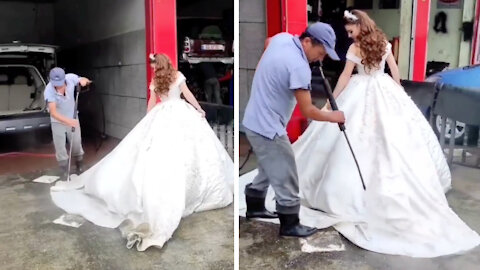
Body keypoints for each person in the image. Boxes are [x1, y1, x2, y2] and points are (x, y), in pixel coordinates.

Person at [241, 10, 480, 257]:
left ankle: (264, 207)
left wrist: (335, 103)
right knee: (286, 164)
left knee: (290, 161)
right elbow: (388, 72)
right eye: (322, 52)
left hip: (364, 94)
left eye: (350, 30)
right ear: (308, 42)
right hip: (372, 93)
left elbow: (347, 76)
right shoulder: (376, 45)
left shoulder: (287, 42)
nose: (349, 34)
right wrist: (339, 108)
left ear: (360, 26)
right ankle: (284, 218)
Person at [50, 53, 233, 251]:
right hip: (181, 113)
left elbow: (153, 102)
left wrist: (147, 120)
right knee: (192, 153)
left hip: (163, 115)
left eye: (153, 64)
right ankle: (195, 191)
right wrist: (198, 109)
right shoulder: (177, 75)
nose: (152, 67)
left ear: (157, 64)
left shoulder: (156, 80)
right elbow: (187, 95)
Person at [242, 22, 345, 238]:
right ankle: (290, 224)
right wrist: (333, 116)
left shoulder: (282, 39)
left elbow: (267, 41)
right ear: (307, 42)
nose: (321, 59)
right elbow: (308, 110)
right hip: (267, 127)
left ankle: (254, 206)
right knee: (286, 171)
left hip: (254, 119)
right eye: (320, 52)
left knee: (269, 166)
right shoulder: (299, 67)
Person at [43, 68, 91, 178]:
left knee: (76, 142)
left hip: (72, 116)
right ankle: (64, 170)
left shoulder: (70, 78)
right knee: (60, 145)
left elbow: (83, 80)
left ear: (64, 79)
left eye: (60, 84)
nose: (58, 87)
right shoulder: (49, 90)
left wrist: (84, 81)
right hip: (57, 121)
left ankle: (79, 165)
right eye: (56, 85)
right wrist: (69, 121)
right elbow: (54, 113)